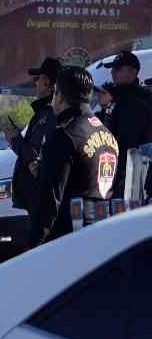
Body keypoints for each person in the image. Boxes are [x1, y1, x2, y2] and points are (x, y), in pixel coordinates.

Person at [30, 64, 121, 245]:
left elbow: (50, 198)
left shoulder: (65, 135)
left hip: (69, 238)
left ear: (60, 96)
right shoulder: (107, 135)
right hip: (102, 232)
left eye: (55, 93)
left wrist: (34, 243)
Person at [7, 57, 58, 216]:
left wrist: (15, 140)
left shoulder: (49, 114)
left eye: (38, 78)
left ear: (47, 83)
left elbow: (35, 157)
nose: (35, 83)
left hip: (41, 197)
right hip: (37, 197)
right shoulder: (43, 113)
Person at [98, 52, 151, 199]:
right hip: (122, 178)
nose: (112, 72)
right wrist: (105, 109)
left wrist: (112, 180)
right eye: (113, 69)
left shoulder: (132, 103)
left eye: (118, 69)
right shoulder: (118, 99)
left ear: (133, 72)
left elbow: (126, 147)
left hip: (129, 181)